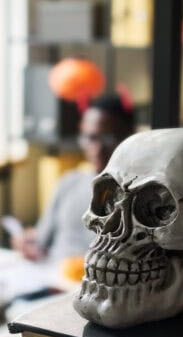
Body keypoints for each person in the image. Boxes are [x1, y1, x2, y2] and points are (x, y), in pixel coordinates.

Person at [11, 92, 135, 262]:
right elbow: (41, 239)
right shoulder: (69, 182)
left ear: (128, 138)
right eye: (90, 138)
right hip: (52, 276)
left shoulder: (135, 196)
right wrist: (28, 242)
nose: (97, 149)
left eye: (107, 138)